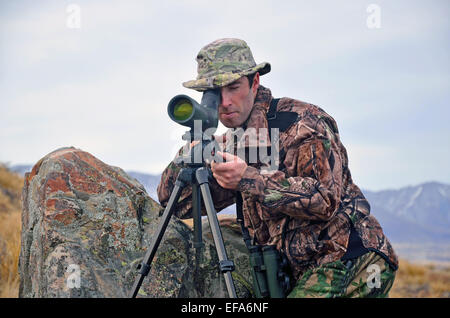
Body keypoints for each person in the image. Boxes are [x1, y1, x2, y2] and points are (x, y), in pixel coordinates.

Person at [157, 38, 398, 298]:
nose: (224, 102)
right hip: (292, 267)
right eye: (214, 93)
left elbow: (325, 199)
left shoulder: (303, 124)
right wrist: (190, 155)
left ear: (255, 82)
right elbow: (178, 205)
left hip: (349, 257)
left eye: (233, 87)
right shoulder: (233, 143)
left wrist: (249, 179)